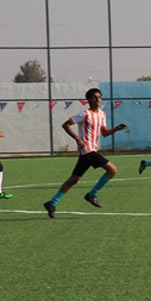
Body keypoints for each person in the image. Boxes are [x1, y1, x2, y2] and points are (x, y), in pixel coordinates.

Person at [43, 88, 128, 217]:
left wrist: (116, 129)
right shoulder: (84, 114)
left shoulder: (102, 114)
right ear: (88, 100)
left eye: (99, 97)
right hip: (87, 150)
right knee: (112, 170)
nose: (98, 100)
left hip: (89, 151)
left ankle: (52, 203)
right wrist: (77, 139)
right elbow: (66, 124)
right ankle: (92, 194)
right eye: (95, 97)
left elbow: (104, 133)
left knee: (74, 179)